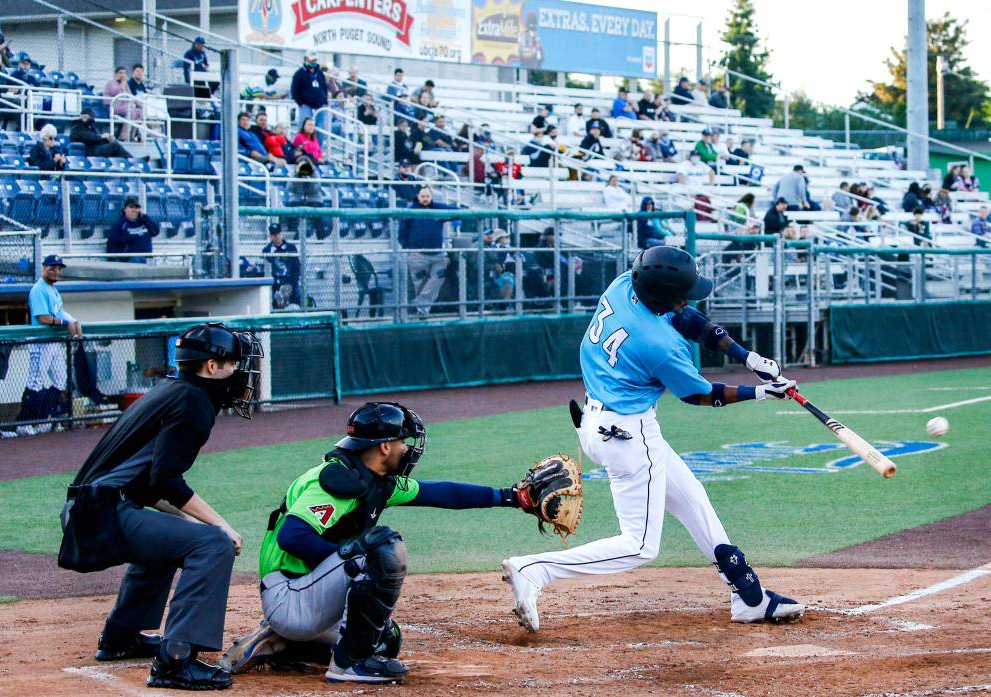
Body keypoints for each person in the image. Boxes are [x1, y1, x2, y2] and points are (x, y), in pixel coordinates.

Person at [502, 246, 803, 633]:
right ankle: (535, 570)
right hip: (628, 436)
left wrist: (746, 357)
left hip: (602, 420)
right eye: (682, 293)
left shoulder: (625, 283)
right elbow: (699, 394)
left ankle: (749, 597)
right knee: (640, 545)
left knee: (692, 498)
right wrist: (761, 393)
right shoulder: (658, 344)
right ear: (662, 296)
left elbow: (687, 317)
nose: (688, 299)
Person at [219, 402, 554, 683]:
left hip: (306, 596)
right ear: (384, 447)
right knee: (381, 547)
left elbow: (440, 492)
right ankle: (347, 665)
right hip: (289, 597)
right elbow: (291, 536)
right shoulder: (338, 481)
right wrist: (348, 560)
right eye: (404, 441)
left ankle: (281, 643)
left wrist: (511, 497)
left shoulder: (374, 478)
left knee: (385, 640)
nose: (408, 448)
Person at [58, 323, 260, 691]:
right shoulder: (194, 401)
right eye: (232, 363)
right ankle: (176, 661)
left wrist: (192, 520)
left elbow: (148, 484)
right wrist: (221, 526)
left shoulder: (172, 389)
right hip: (102, 512)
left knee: (185, 537)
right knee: (212, 545)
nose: (239, 372)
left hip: (90, 509)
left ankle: (122, 637)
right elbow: (166, 480)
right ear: (211, 366)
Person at [16, 255, 81, 436]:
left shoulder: (53, 290)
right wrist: (64, 323)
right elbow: (43, 317)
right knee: (35, 381)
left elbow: (59, 312)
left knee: (60, 380)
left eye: (59, 268)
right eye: (52, 267)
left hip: (53, 344)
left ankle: (42, 418)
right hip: (41, 342)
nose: (56, 271)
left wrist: (74, 320)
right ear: (44, 268)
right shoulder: (38, 289)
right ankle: (24, 423)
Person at [397, 186, 458, 318]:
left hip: (437, 254)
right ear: (418, 197)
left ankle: (421, 305)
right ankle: (423, 311)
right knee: (420, 282)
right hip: (417, 255)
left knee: (437, 279)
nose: (425, 199)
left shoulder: (438, 208)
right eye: (422, 196)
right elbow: (402, 231)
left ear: (431, 197)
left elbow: (457, 212)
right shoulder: (410, 210)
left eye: (427, 196)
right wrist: (408, 247)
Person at [107, 197, 161, 263]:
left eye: (137, 207)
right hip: (130, 260)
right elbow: (112, 245)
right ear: (125, 209)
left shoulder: (144, 221)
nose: (134, 210)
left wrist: (146, 218)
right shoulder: (120, 225)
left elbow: (155, 232)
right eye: (131, 207)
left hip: (148, 258)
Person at [262, 223, 301, 307]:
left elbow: (296, 267)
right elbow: (266, 266)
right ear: (270, 236)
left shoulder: (291, 248)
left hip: (290, 280)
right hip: (276, 282)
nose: (277, 236)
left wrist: (292, 284)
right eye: (274, 234)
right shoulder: (267, 250)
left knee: (295, 300)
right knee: (277, 302)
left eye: (278, 233)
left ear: (281, 234)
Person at [69, 108, 134, 158]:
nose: (91, 119)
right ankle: (132, 159)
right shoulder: (76, 127)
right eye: (89, 117)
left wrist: (108, 138)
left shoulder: (91, 127)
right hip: (91, 151)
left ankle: (131, 161)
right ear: (83, 117)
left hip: (99, 148)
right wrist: (102, 136)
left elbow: (97, 136)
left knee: (115, 145)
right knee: (115, 146)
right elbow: (88, 137)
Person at [104, 66, 142, 141]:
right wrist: (123, 82)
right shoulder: (111, 82)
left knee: (139, 112)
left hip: (123, 106)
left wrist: (141, 104)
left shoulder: (125, 84)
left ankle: (132, 136)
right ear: (116, 74)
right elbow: (116, 92)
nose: (122, 75)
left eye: (124, 73)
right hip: (112, 106)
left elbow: (130, 95)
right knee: (130, 111)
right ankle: (123, 136)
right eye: (120, 73)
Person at [290, 51, 328, 125]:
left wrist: (325, 101)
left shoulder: (320, 73)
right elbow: (294, 89)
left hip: (319, 104)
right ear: (306, 59)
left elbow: (324, 87)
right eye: (311, 60)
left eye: (315, 60)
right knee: (305, 124)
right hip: (306, 104)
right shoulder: (299, 73)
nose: (313, 62)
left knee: (321, 126)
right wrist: (300, 102)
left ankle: (318, 137)